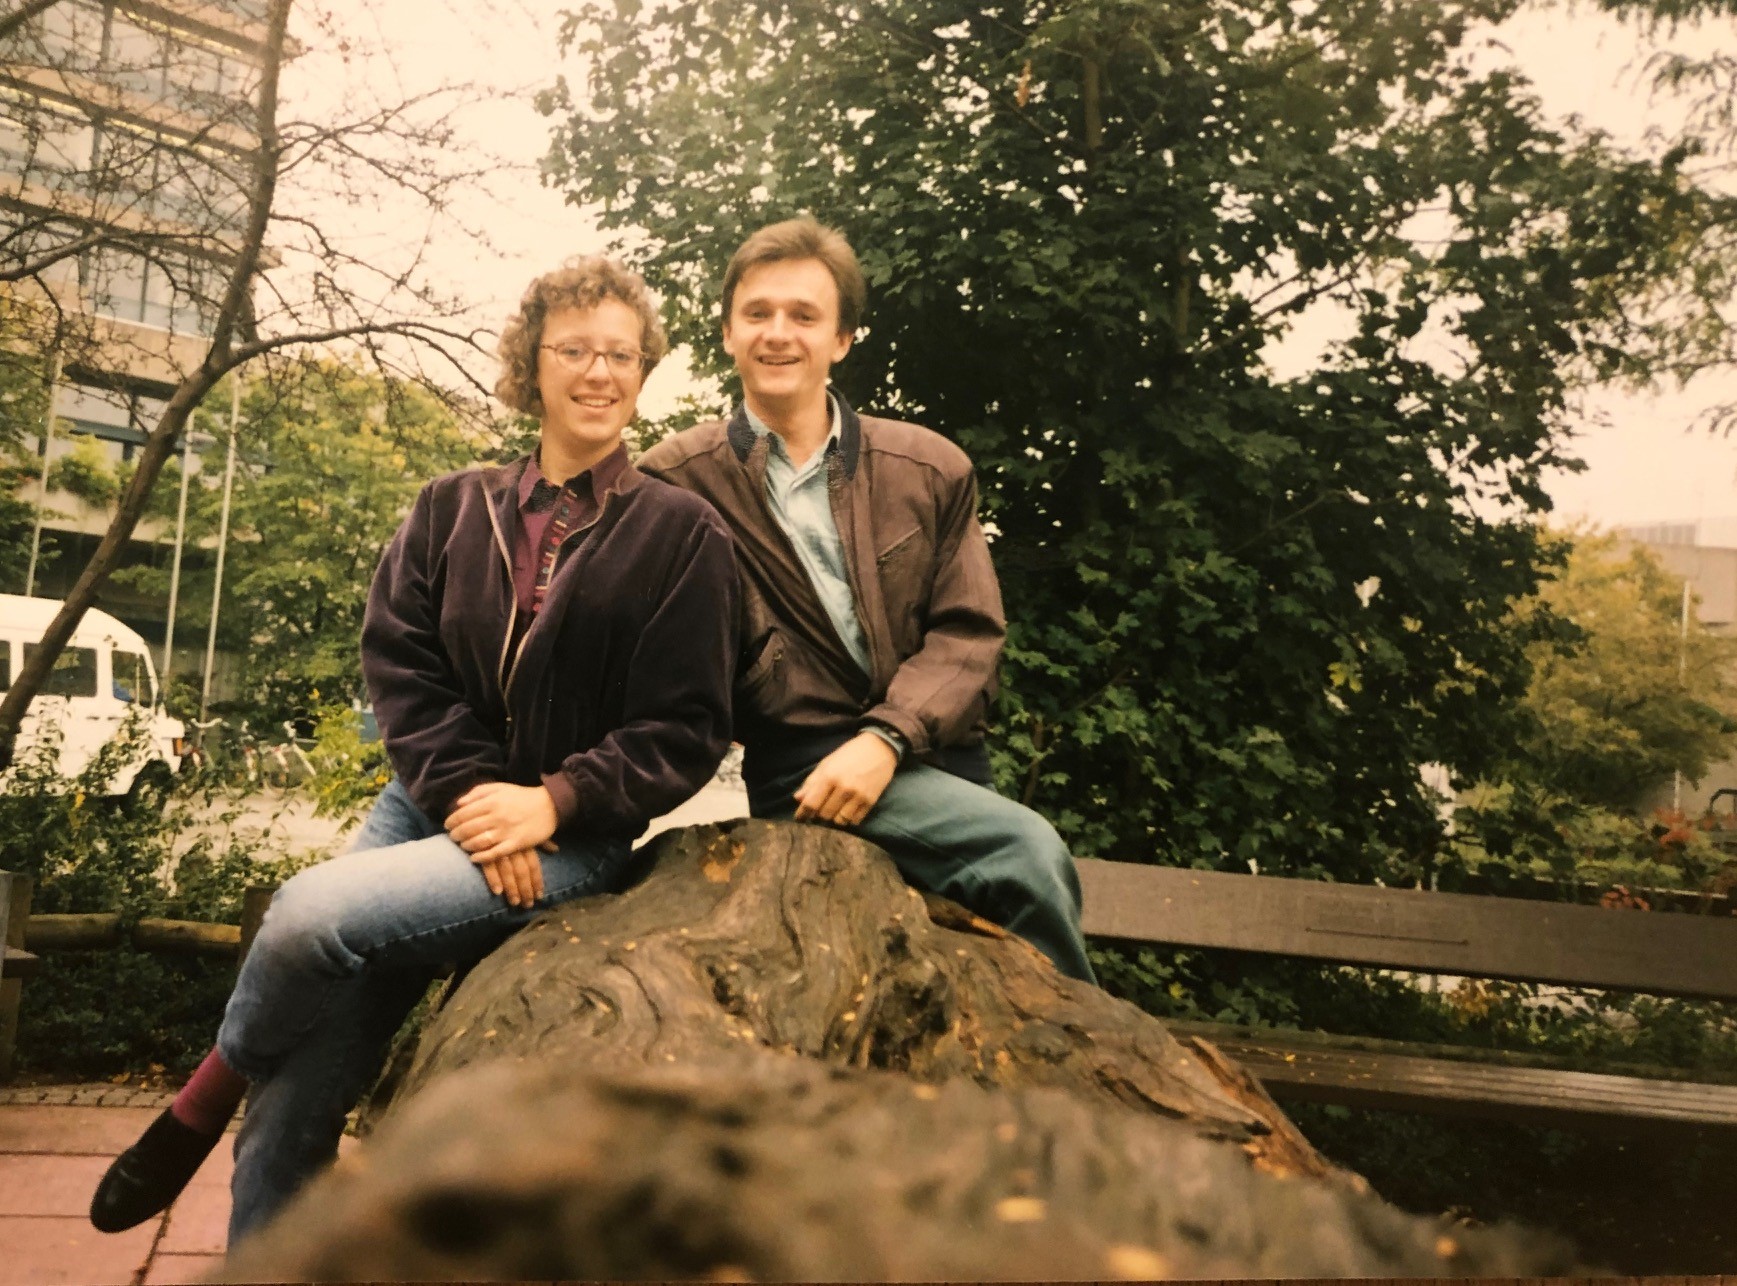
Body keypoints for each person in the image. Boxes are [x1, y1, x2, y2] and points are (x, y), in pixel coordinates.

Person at [89, 257, 739, 1245]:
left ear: (643, 369)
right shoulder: (449, 505)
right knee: (294, 1099)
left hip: (573, 841)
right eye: (574, 349)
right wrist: (479, 793)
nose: (598, 370)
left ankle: (205, 1086)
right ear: (532, 363)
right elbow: (400, 663)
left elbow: (685, 724)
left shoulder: (683, 534)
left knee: (309, 909)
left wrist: (552, 800)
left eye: (620, 352)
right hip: (428, 804)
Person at [638, 218, 1095, 984]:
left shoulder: (926, 467)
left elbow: (969, 635)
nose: (777, 334)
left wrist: (884, 741)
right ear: (726, 333)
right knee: (1026, 852)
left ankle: (1063, 1072)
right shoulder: (675, 481)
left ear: (843, 338)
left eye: (804, 316)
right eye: (757, 313)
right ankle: (1075, 1080)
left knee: (994, 920)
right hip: (801, 773)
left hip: (935, 758)